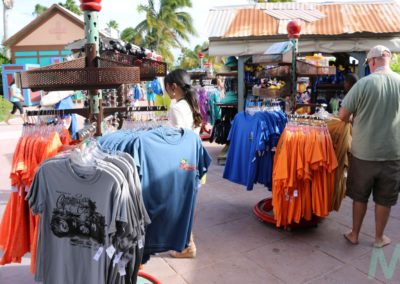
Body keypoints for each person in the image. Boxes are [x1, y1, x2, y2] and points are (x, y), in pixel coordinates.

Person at [339, 45, 400, 248]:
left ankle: (355, 234)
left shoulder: (364, 84)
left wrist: (358, 116)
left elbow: (342, 116)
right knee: (385, 199)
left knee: (360, 196)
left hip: (363, 153)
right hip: (393, 153)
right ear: (388, 59)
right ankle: (379, 238)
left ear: (372, 61)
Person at [164, 69, 202, 258]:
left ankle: (187, 245)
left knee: (180, 206)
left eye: (166, 88)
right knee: (187, 204)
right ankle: (188, 243)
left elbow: (176, 140)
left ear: (173, 87)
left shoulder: (177, 107)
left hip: (182, 163)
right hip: (195, 161)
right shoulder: (190, 104)